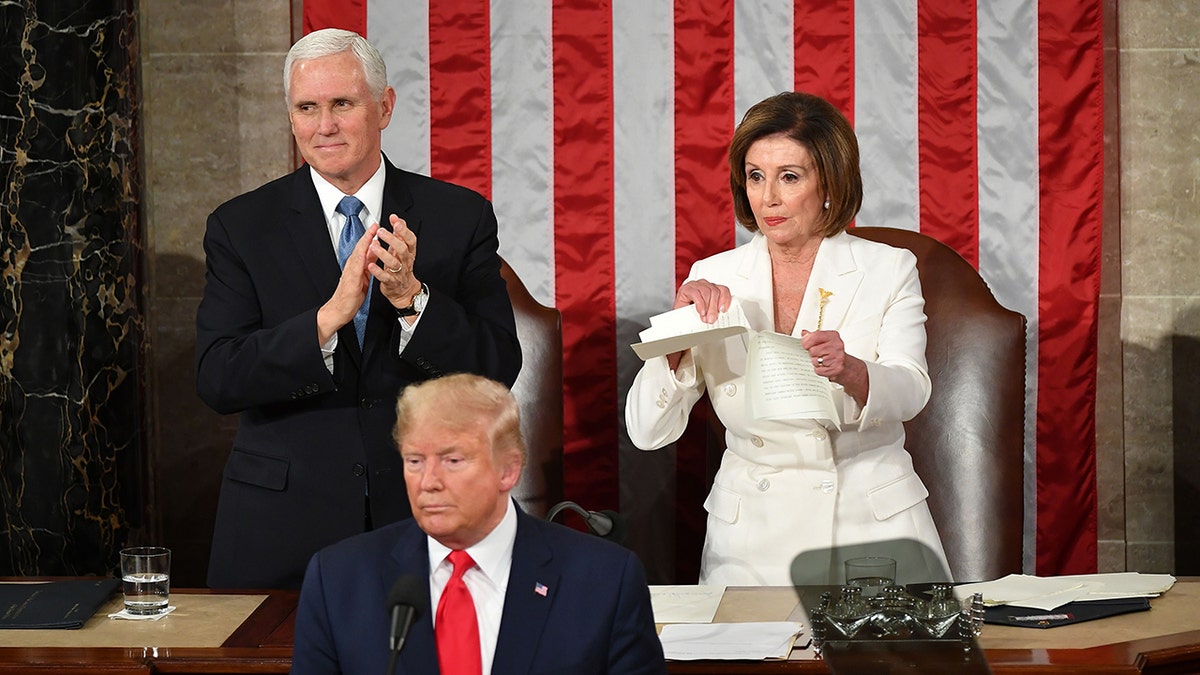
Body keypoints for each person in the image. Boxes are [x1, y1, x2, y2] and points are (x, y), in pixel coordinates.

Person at [195, 28, 521, 590]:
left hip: (421, 517)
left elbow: (498, 368)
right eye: (307, 108)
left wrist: (411, 300)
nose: (324, 126)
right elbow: (217, 376)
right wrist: (325, 322)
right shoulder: (240, 226)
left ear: (385, 106)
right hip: (280, 528)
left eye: (342, 104)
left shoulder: (458, 216)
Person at [625, 91, 950, 587]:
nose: (767, 198)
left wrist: (854, 371)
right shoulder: (713, 276)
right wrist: (677, 344)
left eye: (789, 177)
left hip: (869, 527)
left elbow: (912, 389)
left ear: (830, 184)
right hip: (751, 535)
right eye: (755, 176)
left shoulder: (889, 268)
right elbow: (647, 432)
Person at [291, 374, 666, 675]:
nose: (429, 481)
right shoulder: (338, 579)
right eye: (415, 461)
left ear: (509, 470)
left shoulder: (605, 581)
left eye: (452, 460)